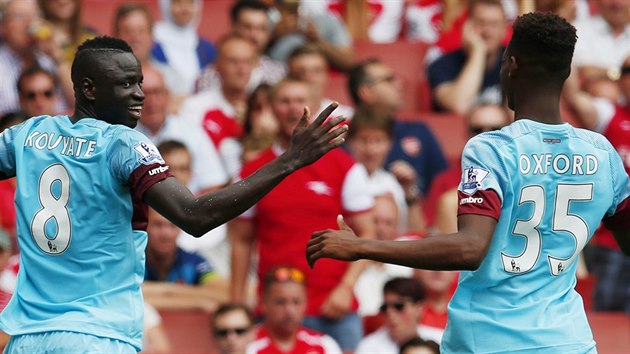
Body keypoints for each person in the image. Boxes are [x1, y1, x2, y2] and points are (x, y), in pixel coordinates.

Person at [307, 12, 630, 353]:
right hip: (569, 341)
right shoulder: (601, 152)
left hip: (491, 338)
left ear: (511, 66)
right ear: (566, 73)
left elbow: (470, 248)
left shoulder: (493, 148)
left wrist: (361, 247)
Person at [0, 36, 347, 352]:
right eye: (126, 84)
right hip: (98, 335)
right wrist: (289, 161)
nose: (139, 94)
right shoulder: (122, 144)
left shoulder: (28, 134)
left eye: (139, 82)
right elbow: (195, 216)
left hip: (27, 339)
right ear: (88, 89)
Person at [229, 78, 374, 352]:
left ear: (315, 106)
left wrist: (346, 287)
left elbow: (368, 233)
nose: (293, 108)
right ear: (271, 108)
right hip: (273, 308)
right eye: (284, 101)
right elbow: (240, 240)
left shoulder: (344, 166)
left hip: (335, 307)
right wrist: (237, 303)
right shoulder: (253, 171)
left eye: (300, 101)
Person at [562, 54, 630, 312]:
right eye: (627, 71)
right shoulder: (609, 112)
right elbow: (572, 96)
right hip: (613, 238)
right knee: (607, 316)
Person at [348, 58, 448, 196]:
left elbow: (443, 185)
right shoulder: (343, 137)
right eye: (389, 80)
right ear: (366, 92)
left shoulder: (420, 131)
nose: (399, 84)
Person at [426, 0, 507, 114]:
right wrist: (478, 53)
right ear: (467, 26)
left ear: (504, 30)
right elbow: (459, 105)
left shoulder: (513, 63)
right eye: (481, 23)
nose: (487, 31)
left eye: (494, 24)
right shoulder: (441, 65)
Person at [142, 207, 230, 313]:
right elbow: (124, 297)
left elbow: (223, 294)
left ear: (180, 229)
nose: (166, 233)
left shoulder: (194, 262)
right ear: (145, 227)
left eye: (172, 226)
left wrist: (160, 294)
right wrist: (198, 301)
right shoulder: (135, 260)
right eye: (158, 225)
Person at [246, 266, 343, 354]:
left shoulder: (324, 345)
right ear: (264, 303)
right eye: (280, 302)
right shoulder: (246, 344)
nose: (289, 310)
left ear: (306, 303)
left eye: (296, 302)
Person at [196, 0, 285, 94]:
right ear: (233, 27)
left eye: (261, 28)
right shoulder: (211, 75)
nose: (254, 35)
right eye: (247, 27)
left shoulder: (279, 75)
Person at [0, 0, 59, 115]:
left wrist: (59, 57)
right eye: (19, 16)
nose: (29, 22)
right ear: (3, 26)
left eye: (35, 16)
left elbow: (70, 106)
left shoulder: (48, 61)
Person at [355, 277, 442, 354]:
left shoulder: (442, 341)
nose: (390, 314)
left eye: (399, 306)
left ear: (419, 309)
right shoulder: (368, 348)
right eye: (384, 308)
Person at [152, 0, 216, 95]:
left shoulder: (205, 47)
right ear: (165, 5)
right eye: (178, 2)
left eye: (190, 3)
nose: (185, 9)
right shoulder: (152, 42)